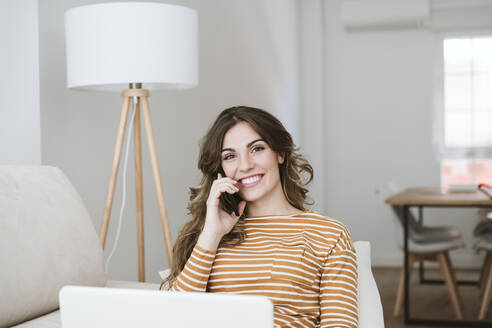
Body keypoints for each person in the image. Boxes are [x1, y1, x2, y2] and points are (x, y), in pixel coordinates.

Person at [162, 106, 358, 328]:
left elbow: (340, 324)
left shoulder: (329, 234)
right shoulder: (210, 233)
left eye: (256, 149)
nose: (245, 165)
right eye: (230, 156)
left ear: (280, 153)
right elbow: (174, 315)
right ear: (221, 169)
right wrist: (211, 234)